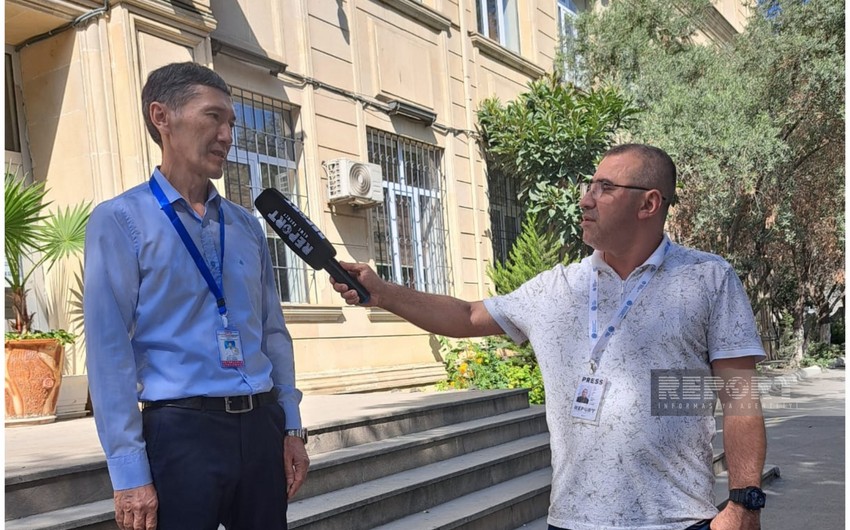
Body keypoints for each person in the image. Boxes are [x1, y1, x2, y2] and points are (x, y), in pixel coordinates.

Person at [331, 144, 767, 530]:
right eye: (588, 186)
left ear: (649, 203)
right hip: (572, 519)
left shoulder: (706, 279)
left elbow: (740, 397)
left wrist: (744, 505)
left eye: (604, 188)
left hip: (676, 519)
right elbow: (466, 316)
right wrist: (383, 292)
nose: (585, 200)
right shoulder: (557, 288)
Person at [84, 62, 309, 530]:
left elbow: (272, 333)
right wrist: (129, 474)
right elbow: (109, 354)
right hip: (182, 433)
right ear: (161, 117)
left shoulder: (246, 226)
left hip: (261, 424)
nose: (227, 135)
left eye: (231, 123)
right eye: (213, 117)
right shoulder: (121, 220)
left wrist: (290, 426)